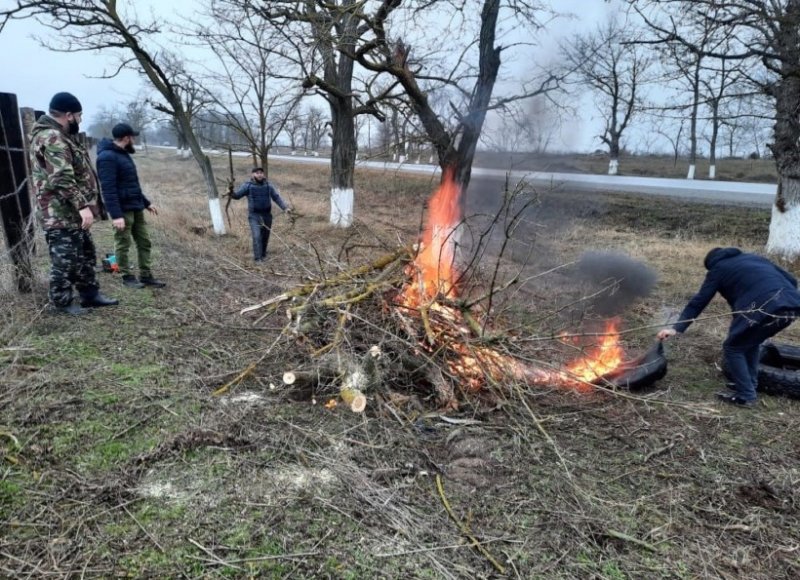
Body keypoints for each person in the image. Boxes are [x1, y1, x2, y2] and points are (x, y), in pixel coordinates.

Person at [657, 247, 800, 406]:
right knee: (749, 343)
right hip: (792, 306)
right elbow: (792, 280)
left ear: (711, 264)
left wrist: (677, 328)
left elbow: (699, 301)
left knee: (733, 348)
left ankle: (746, 396)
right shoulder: (754, 258)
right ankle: (749, 384)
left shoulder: (718, 269)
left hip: (763, 307)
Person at [29, 92, 119, 314]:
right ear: (68, 115)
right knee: (65, 259)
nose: (80, 120)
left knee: (85, 253)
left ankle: (90, 294)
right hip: (59, 212)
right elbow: (61, 177)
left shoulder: (61, 135)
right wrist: (82, 206)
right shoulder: (52, 137)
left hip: (71, 211)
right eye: (79, 115)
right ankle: (61, 303)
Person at [96, 122, 166, 289]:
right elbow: (108, 189)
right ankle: (126, 276)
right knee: (123, 243)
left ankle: (146, 275)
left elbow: (132, 185)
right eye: (132, 137)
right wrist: (116, 215)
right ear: (127, 138)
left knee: (144, 241)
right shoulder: (107, 157)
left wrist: (146, 203)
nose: (134, 139)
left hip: (136, 207)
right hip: (123, 210)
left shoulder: (123, 154)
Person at [230, 167, 291, 262]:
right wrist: (231, 192)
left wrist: (285, 208)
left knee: (265, 236)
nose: (259, 174)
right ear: (253, 175)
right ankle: (258, 259)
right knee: (257, 236)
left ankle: (263, 254)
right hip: (254, 215)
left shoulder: (268, 186)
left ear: (263, 175)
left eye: (261, 173)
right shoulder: (247, 186)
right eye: (257, 173)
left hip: (267, 215)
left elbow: (276, 198)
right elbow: (237, 196)